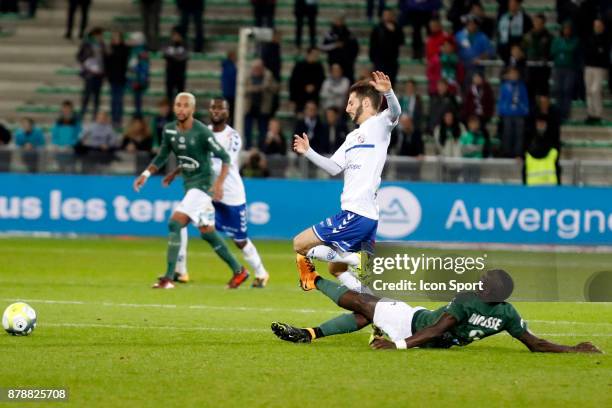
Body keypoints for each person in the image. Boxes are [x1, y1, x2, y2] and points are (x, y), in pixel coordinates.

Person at [271, 268, 602, 356]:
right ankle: (311, 334)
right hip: (425, 331)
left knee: (361, 301)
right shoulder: (508, 314)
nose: (479, 280)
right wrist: (573, 349)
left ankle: (312, 279)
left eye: (484, 280)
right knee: (367, 313)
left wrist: (397, 345)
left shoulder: (467, 298)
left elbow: (436, 328)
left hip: (412, 324)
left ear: (488, 291)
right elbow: (535, 344)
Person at [291, 72, 400, 294]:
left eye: (351, 102)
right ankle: (376, 312)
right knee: (336, 268)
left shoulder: (380, 124)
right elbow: (333, 167)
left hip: (356, 213)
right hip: (365, 216)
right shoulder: (352, 137)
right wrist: (308, 151)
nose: (347, 108)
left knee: (299, 244)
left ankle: (352, 259)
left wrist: (388, 92)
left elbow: (396, 112)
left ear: (366, 103)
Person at [133, 93, 249, 290]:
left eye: (186, 105)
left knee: (175, 223)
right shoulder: (169, 130)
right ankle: (239, 271)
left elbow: (224, 158)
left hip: (203, 187)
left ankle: (168, 278)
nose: (181, 109)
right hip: (190, 185)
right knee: (207, 233)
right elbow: (162, 156)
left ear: (192, 110)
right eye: (178, 105)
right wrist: (146, 174)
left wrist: (219, 184)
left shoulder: (202, 132)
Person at [166, 99, 270, 287]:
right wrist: (175, 172)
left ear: (227, 112)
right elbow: (194, 158)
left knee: (240, 240)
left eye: (220, 108)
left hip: (230, 194)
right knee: (181, 221)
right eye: (213, 107)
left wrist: (220, 185)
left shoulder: (232, 137)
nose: (216, 111)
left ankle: (261, 273)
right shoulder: (201, 132)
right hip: (206, 190)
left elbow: (225, 162)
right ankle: (180, 271)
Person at [244, 59, 279, 149]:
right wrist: (254, 89)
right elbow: (242, 89)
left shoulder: (268, 75)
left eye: (259, 68)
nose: (257, 70)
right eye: (255, 68)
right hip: (249, 107)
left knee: (262, 130)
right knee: (248, 129)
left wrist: (267, 87)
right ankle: (248, 146)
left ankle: (262, 147)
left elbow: (276, 88)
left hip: (263, 107)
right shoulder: (247, 75)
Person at [497, 67, 529, 158]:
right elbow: (501, 100)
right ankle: (506, 152)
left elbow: (525, 99)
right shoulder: (504, 86)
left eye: (515, 74)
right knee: (507, 133)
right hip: (507, 113)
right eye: (511, 74)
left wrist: (525, 110)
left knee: (519, 134)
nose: (513, 75)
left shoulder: (522, 86)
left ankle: (518, 153)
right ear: (508, 75)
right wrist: (501, 110)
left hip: (519, 114)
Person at [551, 21, 579, 121]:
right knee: (558, 90)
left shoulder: (575, 40)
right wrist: (565, 49)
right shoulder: (557, 40)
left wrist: (562, 48)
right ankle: (558, 112)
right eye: (565, 28)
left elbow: (571, 49)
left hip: (570, 68)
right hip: (558, 67)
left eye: (568, 29)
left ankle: (565, 113)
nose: (566, 30)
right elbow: (553, 50)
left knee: (567, 90)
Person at [369, 8, 405, 86]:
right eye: (385, 15)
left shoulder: (397, 28)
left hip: (392, 61)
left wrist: (394, 32)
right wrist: (373, 58)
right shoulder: (377, 28)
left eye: (389, 15)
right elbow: (373, 44)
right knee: (379, 84)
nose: (387, 17)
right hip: (379, 61)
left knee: (391, 84)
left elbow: (401, 41)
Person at [522, 13, 552, 104]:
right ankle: (530, 114)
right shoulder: (527, 36)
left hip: (543, 69)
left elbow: (551, 52)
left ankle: (543, 115)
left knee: (543, 94)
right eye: (535, 22)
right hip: (530, 69)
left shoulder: (549, 37)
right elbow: (523, 49)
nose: (537, 24)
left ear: (543, 23)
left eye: (539, 22)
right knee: (530, 92)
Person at [583, 19, 609, 124]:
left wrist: (598, 51)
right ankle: (590, 113)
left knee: (595, 90)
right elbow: (589, 51)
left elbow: (603, 53)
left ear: (603, 26)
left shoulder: (606, 38)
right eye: (595, 25)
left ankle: (598, 114)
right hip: (588, 66)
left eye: (599, 25)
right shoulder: (589, 37)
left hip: (599, 68)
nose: (597, 27)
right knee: (588, 91)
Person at [320, 16, 359, 82]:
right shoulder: (330, 34)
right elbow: (323, 47)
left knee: (349, 80)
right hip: (334, 62)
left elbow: (355, 48)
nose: (338, 22)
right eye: (337, 20)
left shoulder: (349, 34)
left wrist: (351, 58)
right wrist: (335, 45)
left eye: (340, 20)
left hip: (347, 63)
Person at [77, 27, 105, 120]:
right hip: (89, 74)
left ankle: (95, 115)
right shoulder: (87, 44)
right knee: (87, 95)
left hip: (99, 74)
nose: (100, 36)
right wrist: (86, 63)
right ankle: (82, 113)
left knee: (97, 96)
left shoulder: (102, 45)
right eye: (98, 34)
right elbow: (79, 56)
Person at [288, 47, 325, 113]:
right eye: (314, 54)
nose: (315, 56)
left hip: (313, 97)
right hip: (300, 97)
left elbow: (321, 80)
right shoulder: (299, 66)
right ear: (308, 54)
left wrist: (314, 87)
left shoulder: (319, 67)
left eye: (317, 55)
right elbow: (293, 82)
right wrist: (292, 99)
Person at [105, 31, 130, 128]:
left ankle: (118, 120)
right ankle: (113, 120)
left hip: (121, 78)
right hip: (112, 78)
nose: (116, 39)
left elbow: (124, 61)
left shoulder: (124, 49)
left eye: (117, 37)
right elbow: (107, 64)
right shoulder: (109, 49)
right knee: (113, 100)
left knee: (119, 100)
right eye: (114, 37)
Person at [127, 33, 150, 119]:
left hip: (138, 80)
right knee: (136, 99)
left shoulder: (142, 52)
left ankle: (138, 116)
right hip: (134, 79)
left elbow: (144, 67)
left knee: (138, 100)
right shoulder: (133, 51)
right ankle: (137, 115)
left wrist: (140, 80)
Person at [163, 27, 189, 102]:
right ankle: (169, 113)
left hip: (180, 75)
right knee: (169, 96)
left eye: (178, 35)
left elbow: (184, 56)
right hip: (170, 74)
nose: (176, 37)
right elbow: (165, 55)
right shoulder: (168, 44)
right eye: (174, 35)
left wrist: (173, 56)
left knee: (180, 97)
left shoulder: (185, 45)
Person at [221, 50, 237, 121]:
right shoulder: (229, 66)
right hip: (230, 92)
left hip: (229, 92)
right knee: (230, 112)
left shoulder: (229, 66)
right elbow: (232, 79)